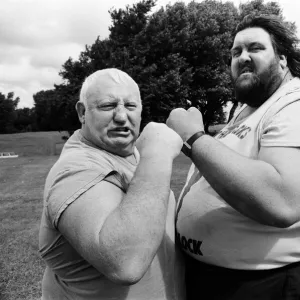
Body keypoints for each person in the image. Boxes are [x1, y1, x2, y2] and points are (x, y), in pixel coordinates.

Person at [166, 15, 300, 300]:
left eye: (255, 48)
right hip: (216, 279)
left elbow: (282, 202)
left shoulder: (293, 103)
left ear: (283, 60)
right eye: (235, 52)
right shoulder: (248, 109)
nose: (243, 57)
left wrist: (193, 137)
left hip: (261, 284)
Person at [38, 68, 185, 300]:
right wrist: (157, 153)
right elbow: (126, 262)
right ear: (82, 112)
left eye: (130, 106)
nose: (121, 116)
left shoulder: (134, 157)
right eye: (107, 106)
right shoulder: (75, 169)